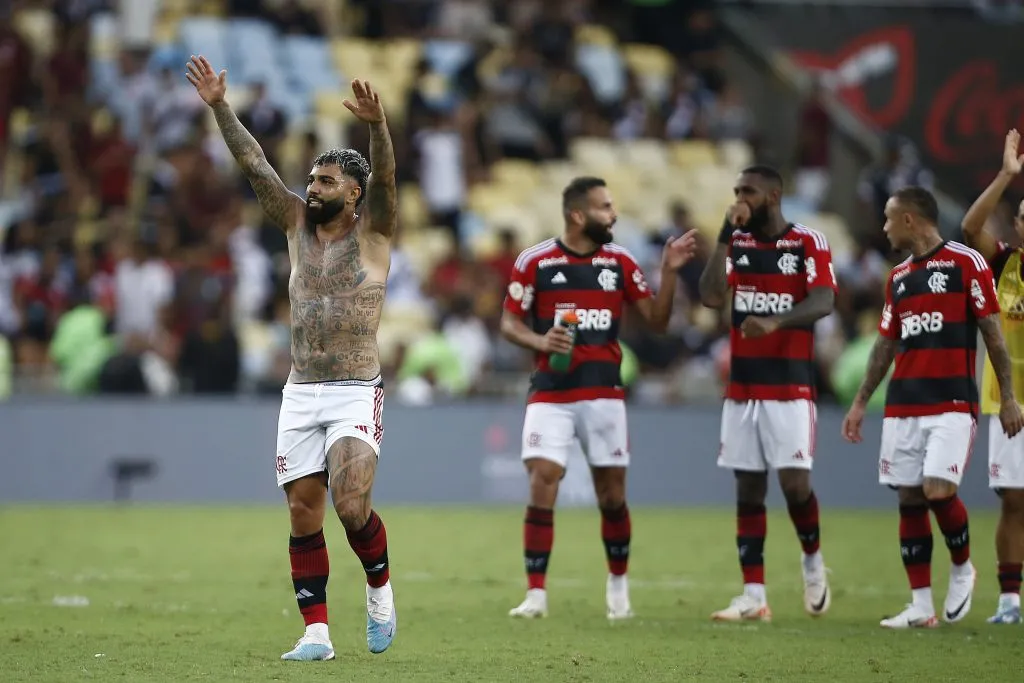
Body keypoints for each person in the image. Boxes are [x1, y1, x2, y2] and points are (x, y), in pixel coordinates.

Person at [186, 55, 399, 659]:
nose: (312, 187)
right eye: (311, 179)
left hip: (357, 387)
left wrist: (378, 126)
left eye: (326, 181)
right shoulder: (295, 225)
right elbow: (254, 164)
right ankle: (316, 633)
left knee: (350, 504)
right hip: (301, 390)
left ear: (353, 194)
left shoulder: (375, 231)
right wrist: (221, 108)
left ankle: (380, 587)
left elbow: (386, 181)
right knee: (304, 513)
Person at [500, 176, 698, 620]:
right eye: (605, 207)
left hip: (604, 394)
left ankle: (618, 586)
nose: (613, 214)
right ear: (577, 214)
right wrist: (539, 341)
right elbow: (508, 323)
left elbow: (658, 321)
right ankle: (535, 593)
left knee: (611, 496)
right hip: (550, 393)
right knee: (541, 481)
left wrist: (668, 271)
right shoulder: (536, 261)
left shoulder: (621, 262)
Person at [842, 186, 1024, 629]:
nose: (883, 227)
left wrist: (1008, 395)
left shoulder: (968, 264)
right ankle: (921, 606)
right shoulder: (898, 278)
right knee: (908, 498)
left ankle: (963, 567)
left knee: (937, 490)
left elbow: (993, 335)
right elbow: (885, 345)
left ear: (909, 220)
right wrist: (861, 401)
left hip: (952, 403)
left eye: (888, 218)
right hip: (904, 404)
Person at [698, 165, 837, 622]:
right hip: (743, 387)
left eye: (749, 191)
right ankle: (753, 595)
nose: (741, 197)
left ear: (773, 196)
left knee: (795, 485)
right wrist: (722, 232)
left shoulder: (806, 243)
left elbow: (823, 301)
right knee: (748, 489)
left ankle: (812, 561)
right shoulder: (736, 245)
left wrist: (775, 322)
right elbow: (712, 297)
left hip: (791, 385)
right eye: (737, 190)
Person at [959, 128, 1024, 624]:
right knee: (1014, 501)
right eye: (1022, 218)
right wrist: (1006, 175)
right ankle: (1009, 601)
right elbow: (969, 228)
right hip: (1011, 400)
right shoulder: (1004, 264)